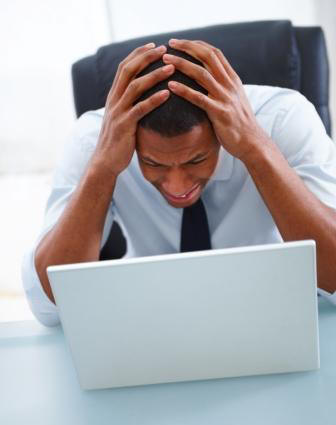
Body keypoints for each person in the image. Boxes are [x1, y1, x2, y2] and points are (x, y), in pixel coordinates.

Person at [22, 39, 336, 326]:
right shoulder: (97, 139)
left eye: (196, 160)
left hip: (273, 312)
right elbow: (48, 305)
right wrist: (103, 166)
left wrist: (254, 146)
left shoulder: (283, 119)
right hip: (151, 320)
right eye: (153, 162)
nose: (176, 185)